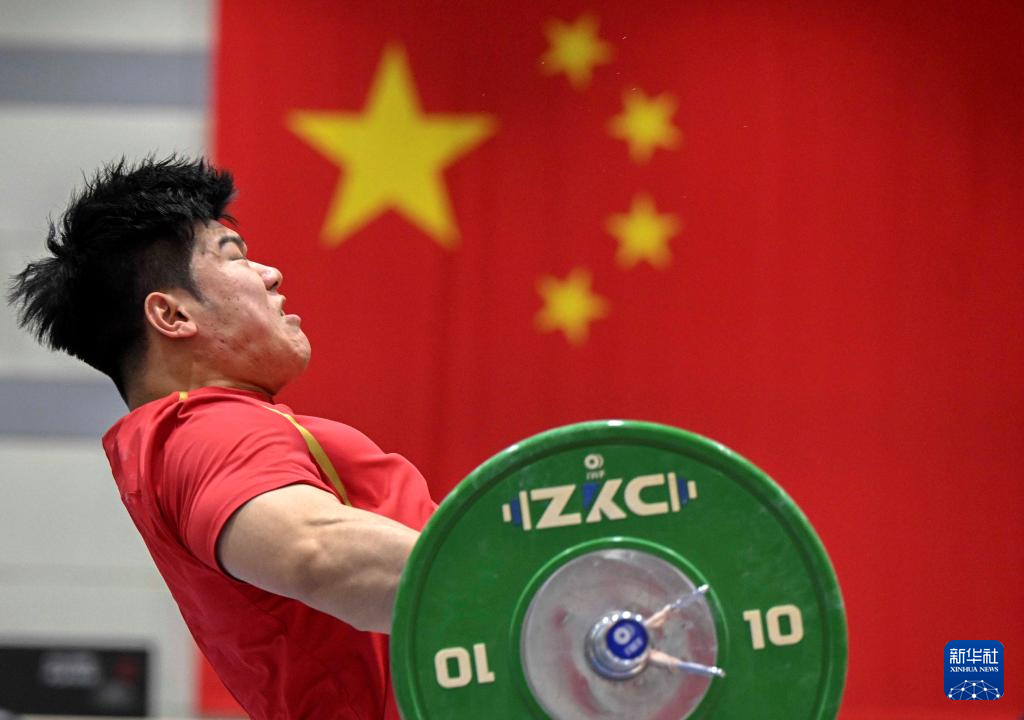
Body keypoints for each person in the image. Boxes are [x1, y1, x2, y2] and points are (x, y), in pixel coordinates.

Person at [7, 156, 435, 719]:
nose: (271, 274)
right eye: (235, 257)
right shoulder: (207, 429)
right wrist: (530, 582)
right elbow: (319, 554)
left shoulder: (183, 439)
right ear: (172, 315)